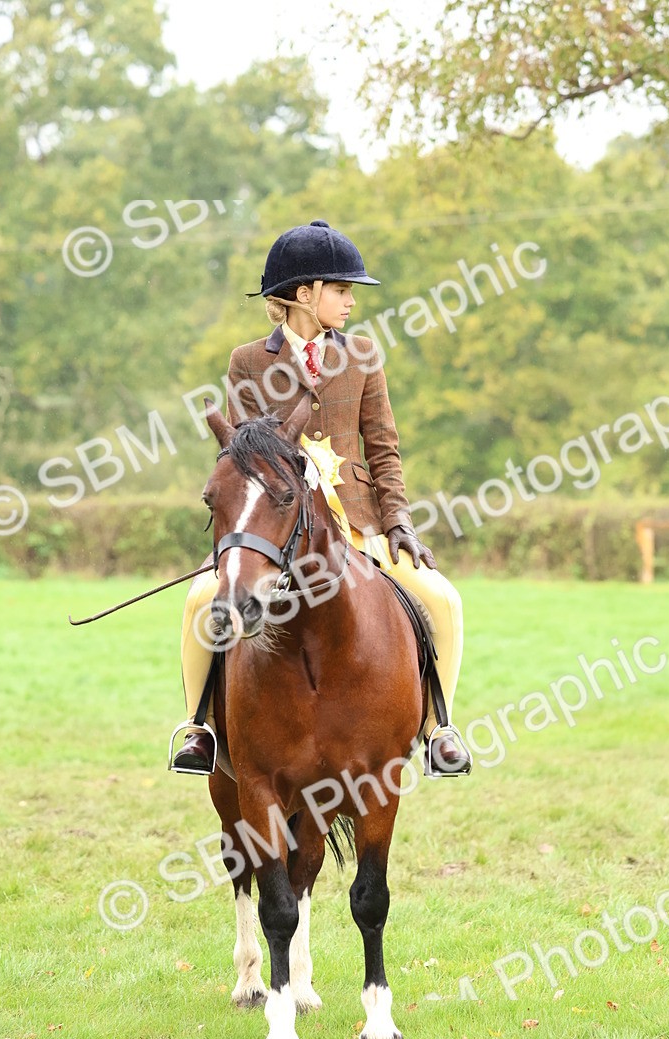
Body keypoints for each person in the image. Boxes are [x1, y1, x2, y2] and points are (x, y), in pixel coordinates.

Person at [170, 219, 472, 778]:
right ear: (302, 295)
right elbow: (242, 456)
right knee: (198, 602)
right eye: (340, 289)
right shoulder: (248, 361)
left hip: (357, 528)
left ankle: (438, 728)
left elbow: (384, 449)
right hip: (275, 528)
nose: (350, 300)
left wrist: (399, 521)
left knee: (443, 599)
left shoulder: (362, 355)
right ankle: (200, 729)